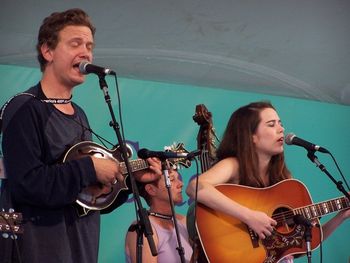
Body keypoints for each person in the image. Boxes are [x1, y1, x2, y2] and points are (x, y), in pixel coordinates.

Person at [0, 8, 158, 263]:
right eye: (75, 44)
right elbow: (27, 183)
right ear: (47, 51)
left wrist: (132, 182)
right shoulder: (25, 108)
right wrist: (89, 168)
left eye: (89, 45)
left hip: (80, 246)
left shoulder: (79, 115)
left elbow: (85, 201)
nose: (86, 52)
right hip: (39, 248)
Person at [186, 101, 350, 263]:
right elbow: (196, 187)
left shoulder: (284, 181)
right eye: (271, 125)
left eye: (280, 123)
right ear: (251, 136)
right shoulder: (233, 165)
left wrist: (341, 216)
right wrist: (249, 217)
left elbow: (298, 247)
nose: (281, 129)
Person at [125, 163, 193, 263]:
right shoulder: (141, 229)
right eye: (172, 180)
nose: (181, 184)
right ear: (151, 189)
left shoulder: (185, 221)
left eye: (178, 178)